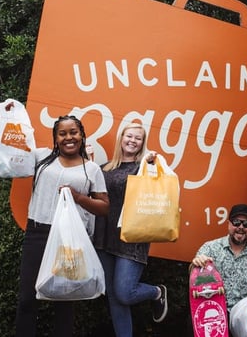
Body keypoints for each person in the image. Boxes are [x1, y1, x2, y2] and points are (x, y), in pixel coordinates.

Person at [15, 115, 110, 337]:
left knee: (65, 302)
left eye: (74, 132)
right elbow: (11, 152)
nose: (69, 137)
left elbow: (104, 207)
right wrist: (11, 115)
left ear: (82, 135)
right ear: (55, 138)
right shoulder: (41, 157)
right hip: (38, 232)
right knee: (27, 299)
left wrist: (78, 197)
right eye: (63, 133)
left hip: (70, 238)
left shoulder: (92, 169)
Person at [91, 122, 168, 336]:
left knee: (124, 293)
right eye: (129, 136)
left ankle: (156, 292)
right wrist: (88, 164)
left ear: (142, 143)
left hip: (131, 239)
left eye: (138, 138)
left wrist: (152, 164)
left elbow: (156, 186)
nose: (133, 141)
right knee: (115, 299)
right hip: (104, 237)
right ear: (121, 138)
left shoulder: (143, 167)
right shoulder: (104, 167)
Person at [191, 203, 247, 309]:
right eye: (236, 222)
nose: (241, 227)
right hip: (209, 311)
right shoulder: (210, 248)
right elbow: (193, 274)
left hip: (242, 317)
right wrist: (197, 263)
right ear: (228, 224)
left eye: (246, 224)